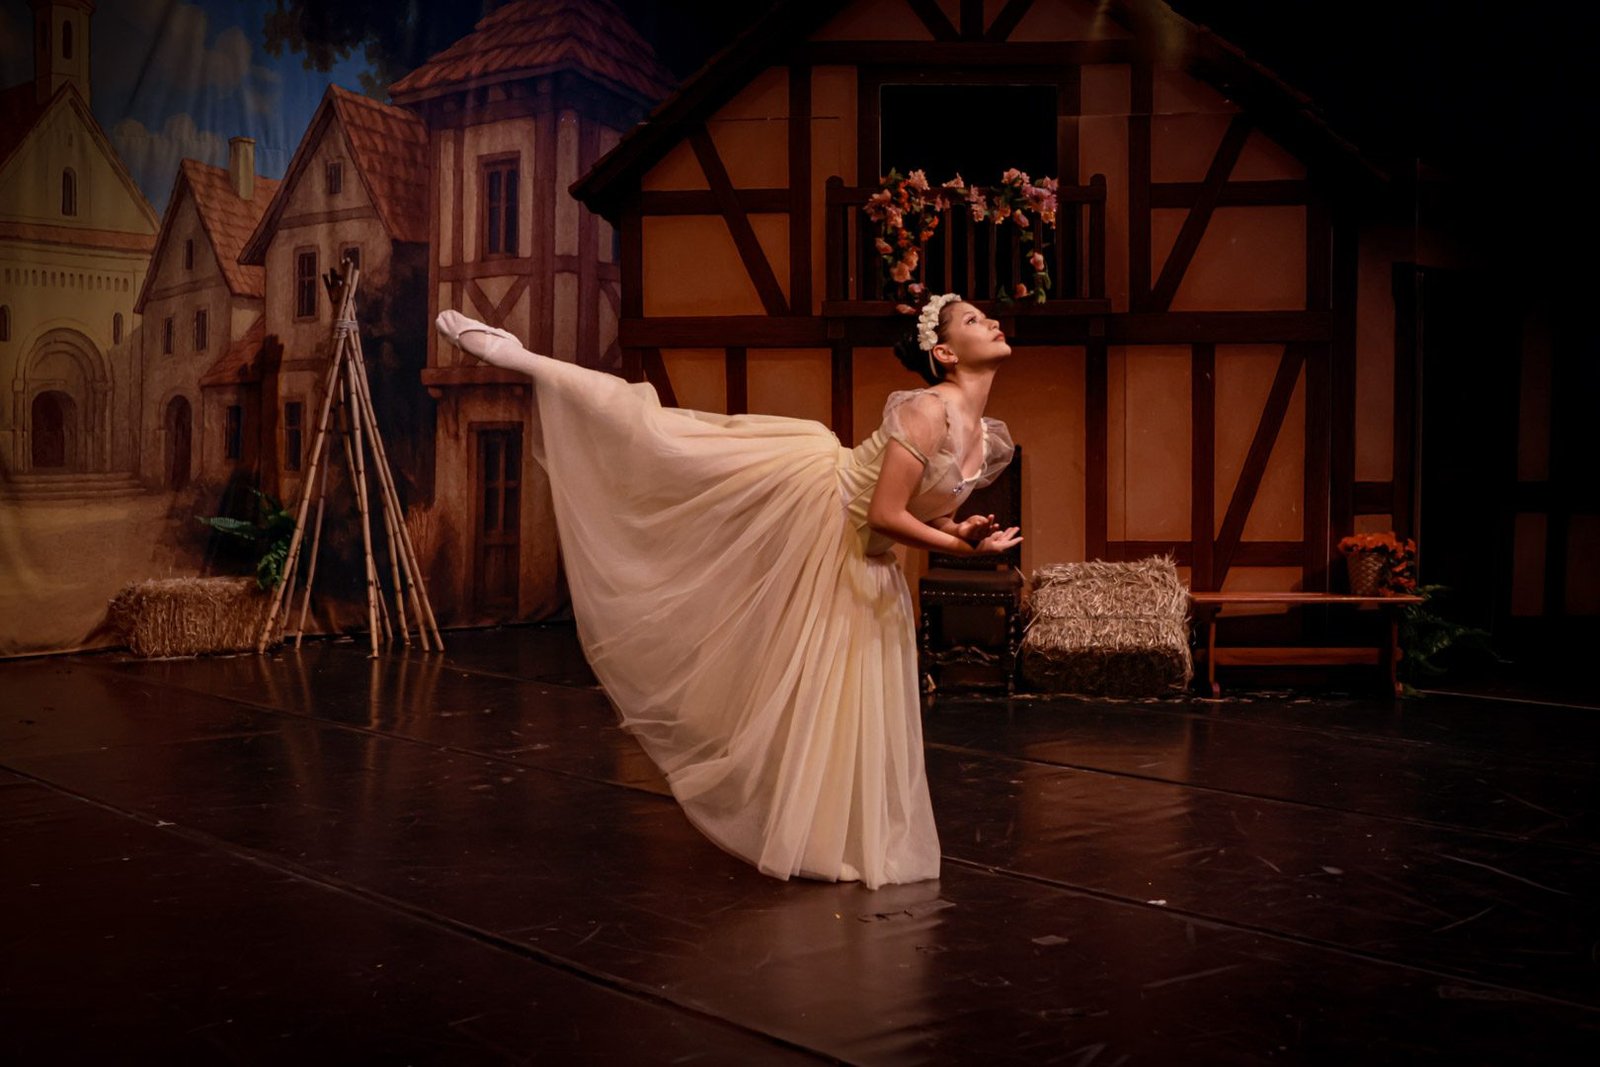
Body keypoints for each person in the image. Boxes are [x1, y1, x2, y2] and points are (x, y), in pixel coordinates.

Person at [434, 292, 1019, 889]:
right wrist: (958, 548)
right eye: (974, 320)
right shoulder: (926, 411)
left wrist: (959, 528)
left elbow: (921, 506)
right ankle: (522, 358)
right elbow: (885, 512)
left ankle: (831, 837)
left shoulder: (987, 437)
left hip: (863, 557)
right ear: (945, 353)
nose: (993, 321)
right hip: (823, 510)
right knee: (664, 437)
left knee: (845, 697)